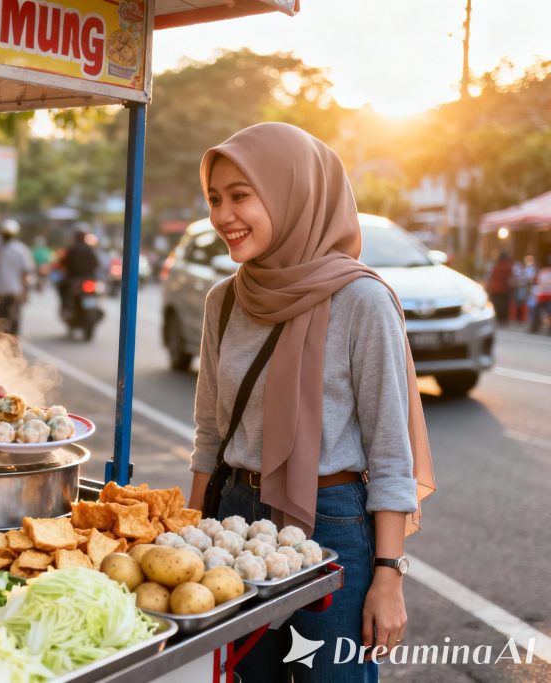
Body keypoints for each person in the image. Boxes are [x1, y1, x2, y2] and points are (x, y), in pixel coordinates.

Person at [187, 123, 436, 682]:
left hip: (333, 529)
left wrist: (388, 576)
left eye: (241, 196)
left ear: (291, 192)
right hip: (231, 523)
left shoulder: (362, 300)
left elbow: (392, 454)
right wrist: (191, 534)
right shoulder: (223, 302)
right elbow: (209, 434)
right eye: (214, 199)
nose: (222, 215)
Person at [0, 219, 34, 338]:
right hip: (11, 292)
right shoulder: (21, 250)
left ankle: (5, 346)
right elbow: (25, 273)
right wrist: (24, 292)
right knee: (10, 322)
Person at [57, 229, 100, 313]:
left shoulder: (71, 249)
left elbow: (63, 263)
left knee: (61, 286)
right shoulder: (90, 250)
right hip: (88, 278)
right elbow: (96, 264)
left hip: (73, 279)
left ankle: (65, 306)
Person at [486, 251, 513, 324]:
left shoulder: (495, 266)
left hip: (494, 288)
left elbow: (490, 276)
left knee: (495, 303)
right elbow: (510, 277)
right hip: (503, 288)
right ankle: (503, 319)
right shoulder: (507, 266)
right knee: (503, 304)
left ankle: (496, 318)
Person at [530, 256, 551, 334]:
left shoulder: (542, 272)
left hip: (548, 295)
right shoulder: (542, 271)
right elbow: (538, 282)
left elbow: (539, 282)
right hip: (542, 294)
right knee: (537, 311)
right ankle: (535, 327)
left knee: (549, 312)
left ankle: (548, 329)